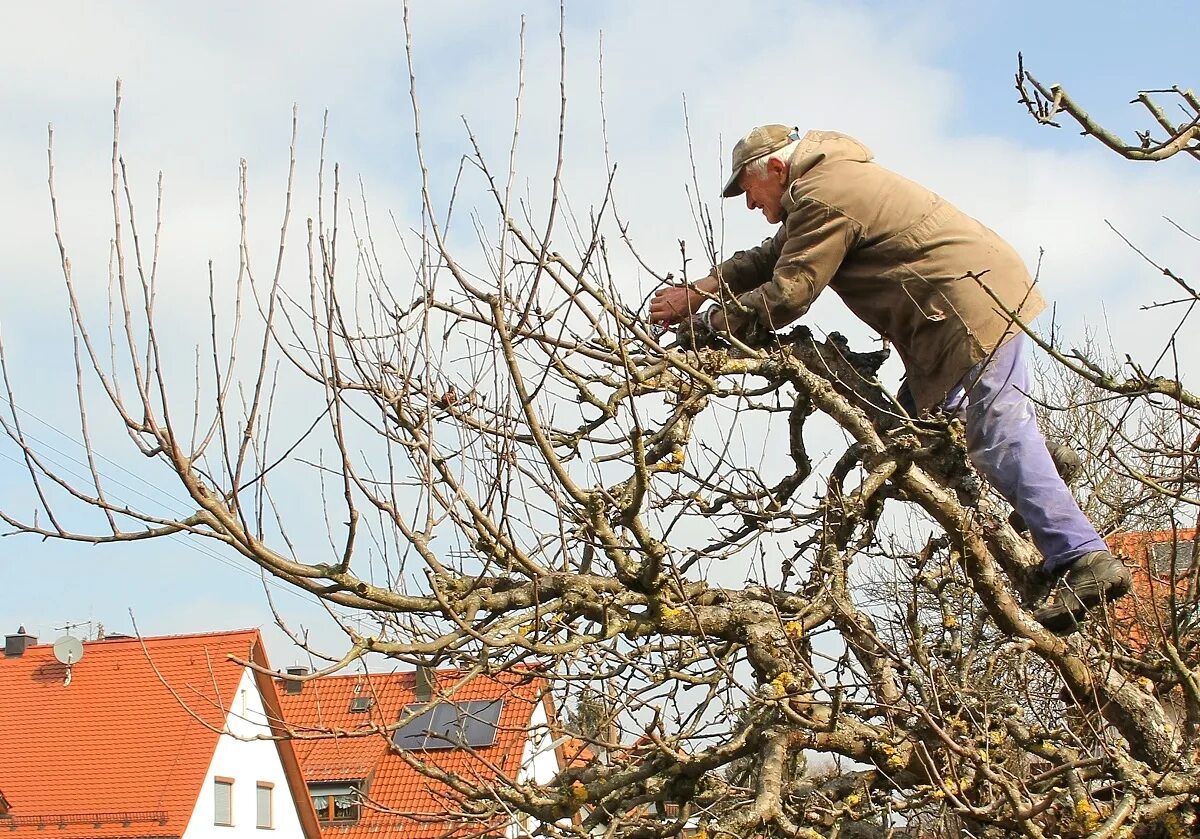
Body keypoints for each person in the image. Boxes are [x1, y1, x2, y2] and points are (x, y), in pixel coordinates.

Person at [649, 125, 1129, 634]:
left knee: (997, 436)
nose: (747, 204)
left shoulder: (824, 195)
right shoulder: (822, 187)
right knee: (916, 424)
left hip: (964, 306)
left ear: (774, 168)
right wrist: (700, 289)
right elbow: (768, 258)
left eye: (746, 189)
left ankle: (1083, 557)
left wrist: (708, 324)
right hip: (951, 308)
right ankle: (1047, 461)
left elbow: (788, 295)